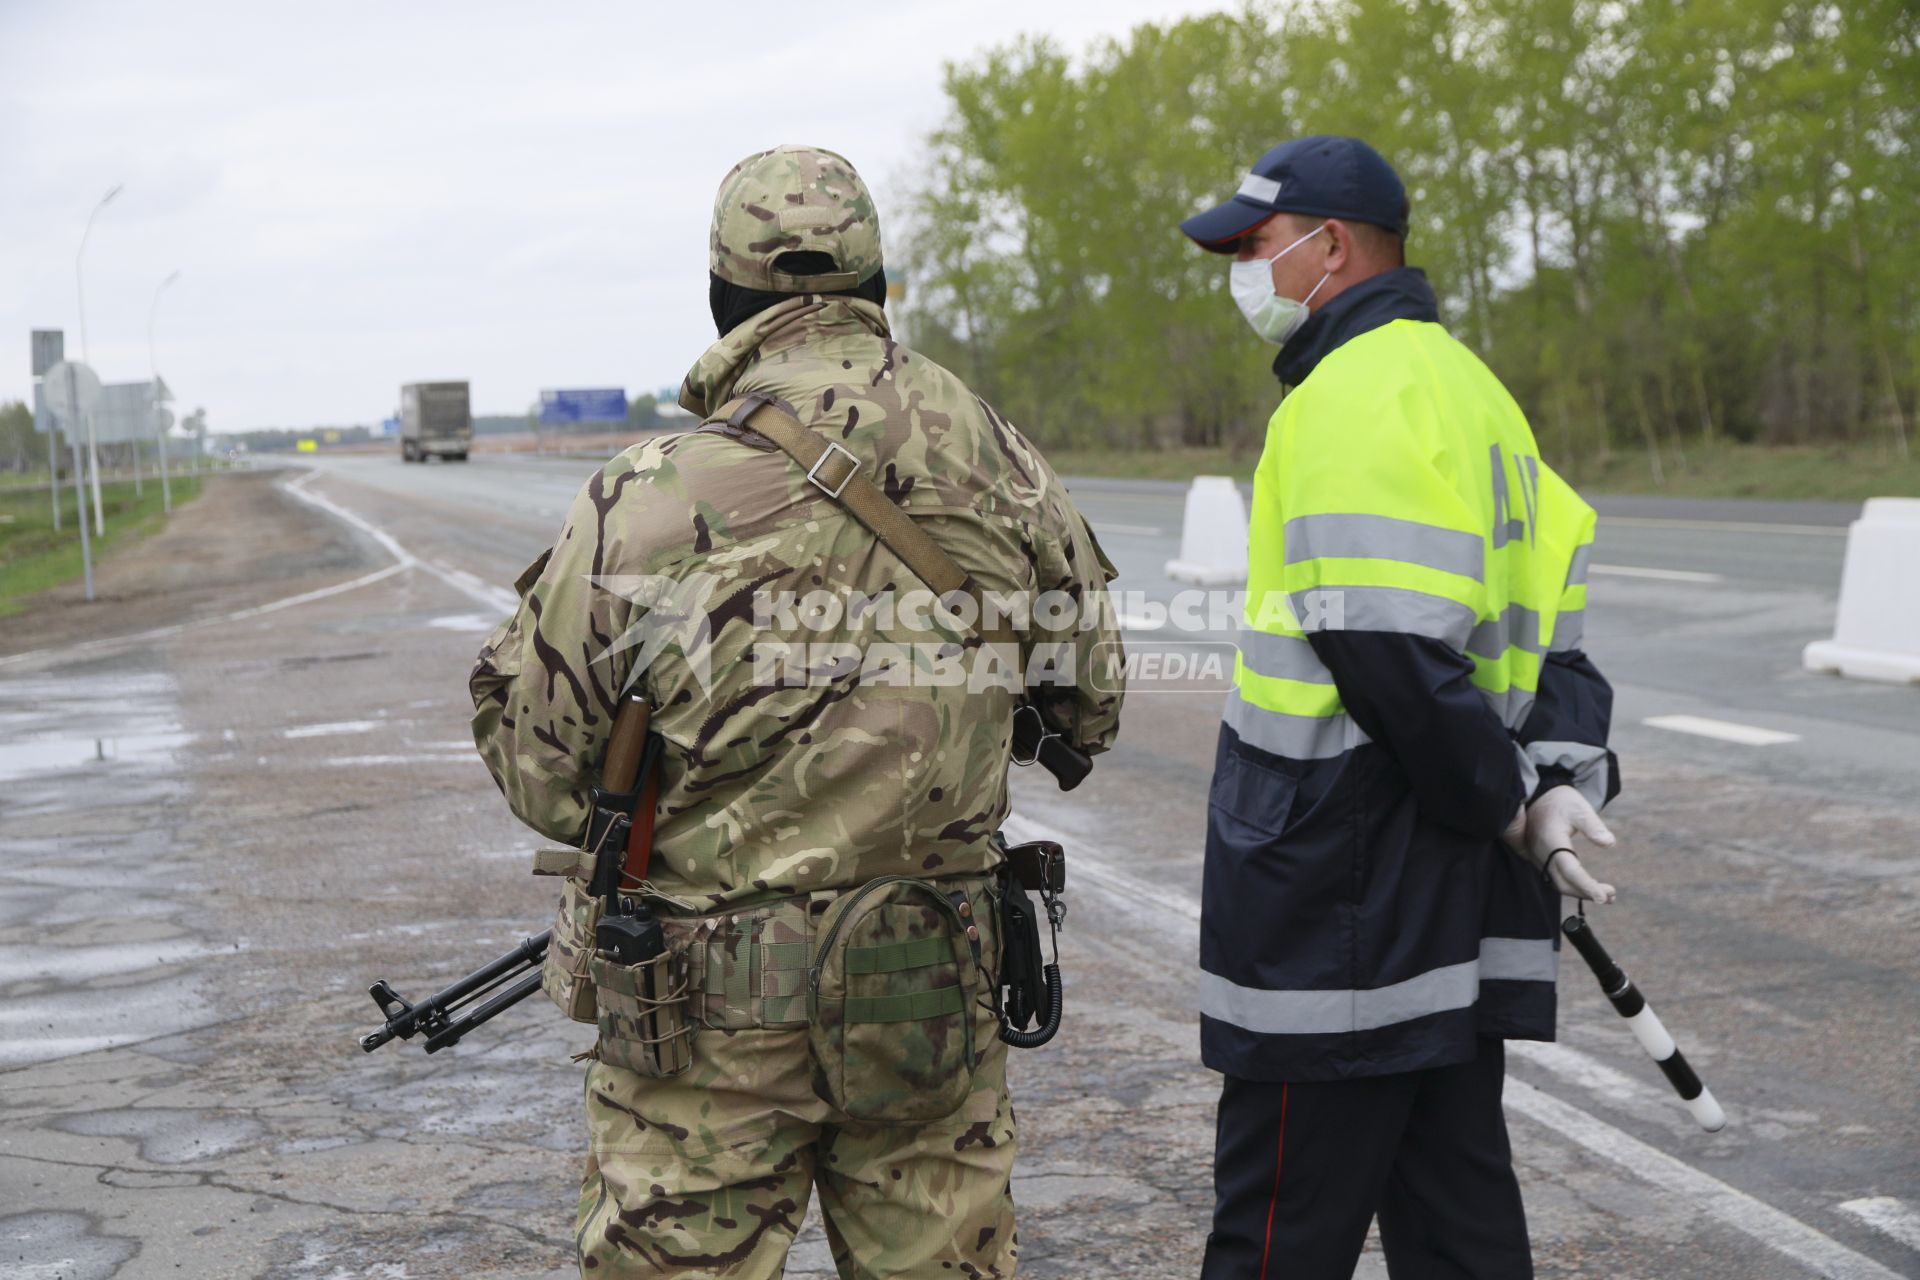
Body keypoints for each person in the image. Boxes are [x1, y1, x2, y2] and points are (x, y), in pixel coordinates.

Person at [470, 144, 1124, 1279]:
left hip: (701, 1036)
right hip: (928, 992)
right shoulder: (1001, 454)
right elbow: (1092, 705)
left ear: (725, 299)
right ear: (878, 287)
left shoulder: (647, 494)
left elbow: (544, 772)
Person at [1178, 135, 1621, 1278]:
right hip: (1444, 904)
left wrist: (1515, 797)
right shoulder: (1477, 392)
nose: (1242, 269)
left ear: (1330, 247)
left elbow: (1384, 654)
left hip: (1339, 895)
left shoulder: (1347, 397)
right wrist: (1561, 776)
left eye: (1255, 245)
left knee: (1279, 1228)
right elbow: (1555, 622)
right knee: (1458, 1218)